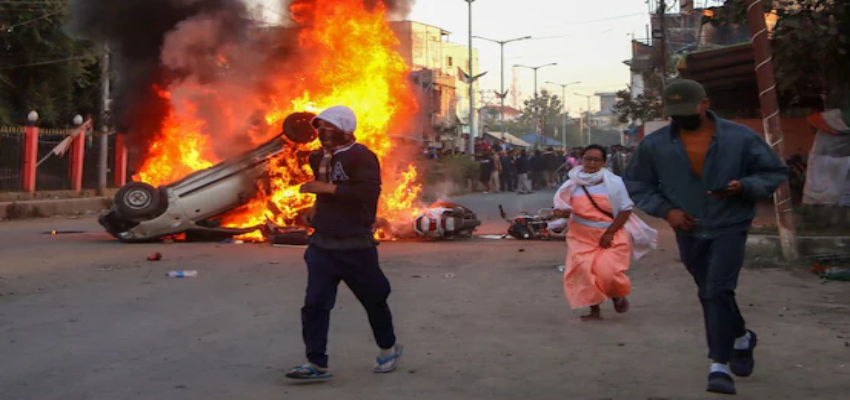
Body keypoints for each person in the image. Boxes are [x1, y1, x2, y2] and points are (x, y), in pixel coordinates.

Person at [624, 79, 788, 395]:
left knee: (717, 289)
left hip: (731, 223)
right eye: (674, 113)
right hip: (689, 229)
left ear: (705, 104)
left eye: (687, 110)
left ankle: (719, 365)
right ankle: (741, 337)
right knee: (712, 292)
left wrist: (744, 186)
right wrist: (667, 211)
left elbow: (773, 172)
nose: (680, 117)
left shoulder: (740, 137)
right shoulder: (654, 144)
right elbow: (637, 183)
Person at [287, 106, 402, 381]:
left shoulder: (362, 156)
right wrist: (316, 207)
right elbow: (324, 191)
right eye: (319, 127)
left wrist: (327, 189)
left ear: (346, 129)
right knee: (315, 304)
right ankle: (316, 363)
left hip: (355, 245)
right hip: (322, 246)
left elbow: (367, 192)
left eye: (329, 126)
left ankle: (388, 348)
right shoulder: (318, 158)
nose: (322, 132)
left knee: (374, 299)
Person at [553, 144, 656, 321]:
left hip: (610, 234)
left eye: (596, 160)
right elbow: (563, 208)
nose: (591, 163)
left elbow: (625, 209)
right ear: (581, 159)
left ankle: (617, 294)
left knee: (607, 272)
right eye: (587, 158)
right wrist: (560, 213)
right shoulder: (572, 184)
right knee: (584, 272)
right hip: (580, 236)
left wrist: (609, 233)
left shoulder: (614, 183)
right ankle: (594, 310)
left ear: (603, 162)